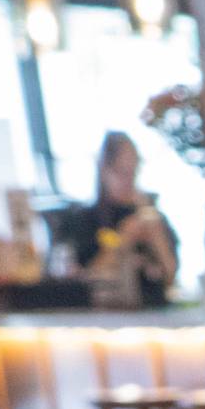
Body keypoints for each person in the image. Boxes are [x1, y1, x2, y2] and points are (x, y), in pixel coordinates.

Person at [69, 130, 178, 306]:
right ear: (104, 170)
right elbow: (84, 278)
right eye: (121, 172)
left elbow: (171, 277)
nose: (129, 181)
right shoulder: (86, 219)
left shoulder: (152, 216)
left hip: (156, 312)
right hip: (108, 315)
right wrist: (124, 238)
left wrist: (157, 238)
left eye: (133, 172)